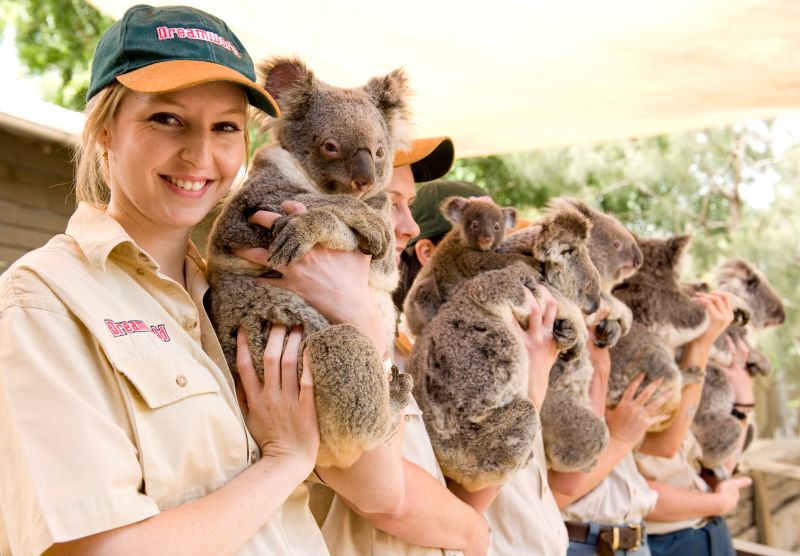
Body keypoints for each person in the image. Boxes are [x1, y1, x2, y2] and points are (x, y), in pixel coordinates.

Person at [0, 5, 386, 554]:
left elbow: (378, 486)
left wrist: (361, 315)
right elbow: (98, 550)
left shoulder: (247, 290)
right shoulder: (43, 300)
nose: (200, 154)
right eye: (166, 119)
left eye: (225, 127)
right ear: (104, 129)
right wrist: (286, 460)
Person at [317, 139, 493, 555]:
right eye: (389, 202)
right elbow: (382, 495)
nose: (410, 226)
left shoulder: (378, 318)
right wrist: (476, 535)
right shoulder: (318, 324)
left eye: (410, 204)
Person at [549, 328, 670, 556]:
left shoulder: (616, 401)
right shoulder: (558, 391)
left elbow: (666, 446)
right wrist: (621, 440)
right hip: (583, 543)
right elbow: (555, 497)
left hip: (636, 542)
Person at [636, 324, 754, 556]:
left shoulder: (695, 393)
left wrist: (743, 402)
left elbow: (721, 467)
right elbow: (640, 494)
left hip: (713, 533)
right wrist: (718, 503)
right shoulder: (644, 387)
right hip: (666, 540)